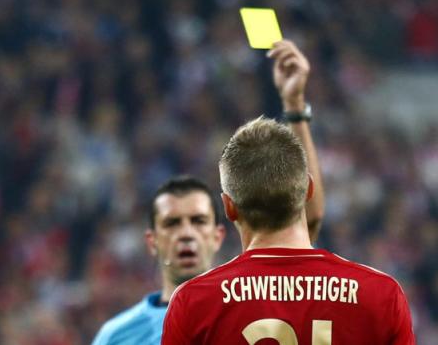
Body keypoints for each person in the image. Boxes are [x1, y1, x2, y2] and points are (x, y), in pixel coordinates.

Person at [161, 41, 415, 344]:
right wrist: (295, 107)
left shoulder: (194, 303)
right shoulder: (380, 295)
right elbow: (313, 223)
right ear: (309, 189)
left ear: (228, 207)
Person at [92, 39, 325, 345]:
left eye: (198, 221)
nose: (186, 234)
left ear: (218, 234)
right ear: (152, 240)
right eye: (172, 223)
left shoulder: (244, 301)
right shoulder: (117, 335)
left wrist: (294, 108)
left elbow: (304, 216)